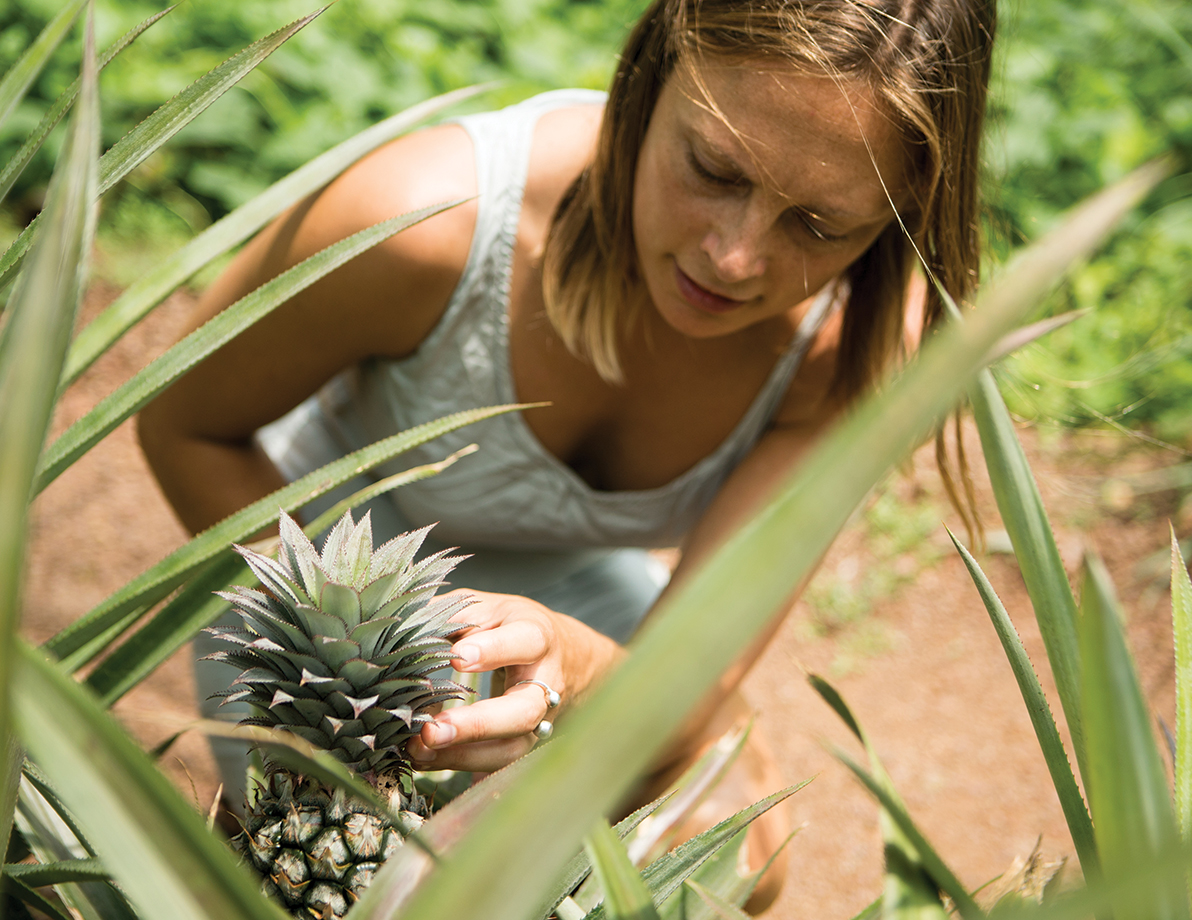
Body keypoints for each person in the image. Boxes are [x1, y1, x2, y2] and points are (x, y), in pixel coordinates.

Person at [139, 0, 995, 909]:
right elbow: (186, 426)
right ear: (651, 73)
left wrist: (569, 671)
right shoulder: (429, 221)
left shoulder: (851, 344)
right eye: (713, 168)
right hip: (321, 571)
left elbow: (689, 671)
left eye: (820, 227)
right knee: (361, 881)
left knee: (730, 848)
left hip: (566, 599)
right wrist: (363, 661)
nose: (736, 257)